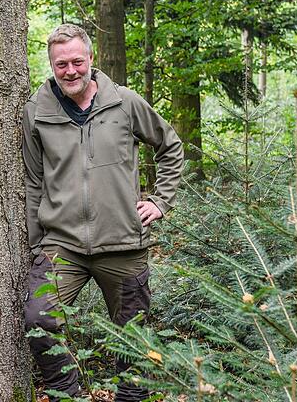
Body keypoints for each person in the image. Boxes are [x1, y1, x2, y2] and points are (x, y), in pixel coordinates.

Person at [22, 24, 184, 401]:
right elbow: (33, 182)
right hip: (62, 245)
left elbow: (170, 146)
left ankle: (131, 397)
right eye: (61, 64)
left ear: (91, 60)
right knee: (40, 319)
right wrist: (36, 245)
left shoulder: (124, 102)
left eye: (77, 61)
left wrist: (160, 201)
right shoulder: (37, 112)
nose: (70, 71)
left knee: (134, 334)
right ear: (51, 65)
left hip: (124, 243)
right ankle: (68, 394)